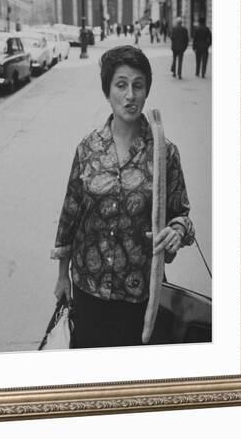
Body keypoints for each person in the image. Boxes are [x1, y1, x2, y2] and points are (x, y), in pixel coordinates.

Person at [51, 45, 195, 348]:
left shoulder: (164, 152)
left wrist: (177, 231)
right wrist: (62, 276)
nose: (130, 95)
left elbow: (181, 214)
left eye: (138, 85)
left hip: (140, 294)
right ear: (108, 91)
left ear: (146, 92)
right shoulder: (88, 148)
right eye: (121, 85)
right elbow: (70, 214)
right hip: (89, 287)